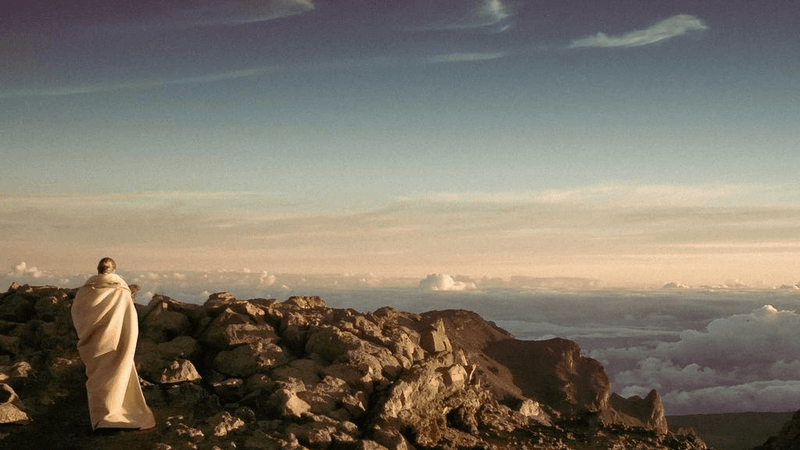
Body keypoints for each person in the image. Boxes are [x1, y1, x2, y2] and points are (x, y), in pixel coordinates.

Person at [71, 257, 156, 431]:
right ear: (114, 270)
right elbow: (129, 318)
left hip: (92, 342)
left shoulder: (84, 292)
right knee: (114, 376)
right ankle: (111, 416)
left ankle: (100, 417)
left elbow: (77, 313)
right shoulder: (121, 291)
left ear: (98, 270)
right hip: (114, 342)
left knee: (97, 376)